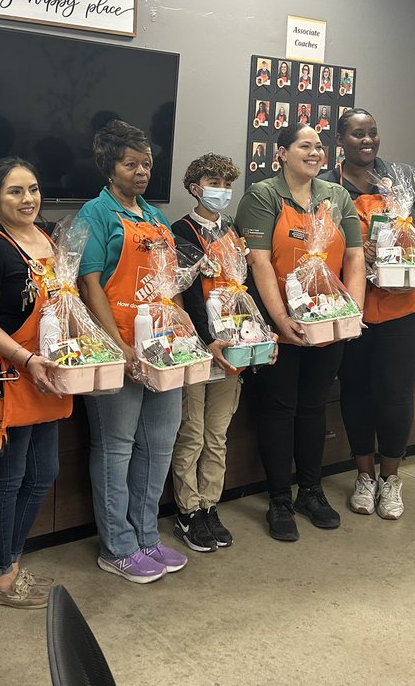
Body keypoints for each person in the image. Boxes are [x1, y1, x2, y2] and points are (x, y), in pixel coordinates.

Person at [235, 124, 365, 542]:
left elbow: (355, 260)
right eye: (305, 146)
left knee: (314, 408)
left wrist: (352, 313)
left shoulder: (338, 197)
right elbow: (258, 263)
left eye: (319, 147)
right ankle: (278, 499)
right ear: (282, 153)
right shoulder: (263, 195)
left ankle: (312, 490)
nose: (315, 153)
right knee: (278, 410)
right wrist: (279, 319)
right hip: (280, 327)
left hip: (329, 321)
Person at [325, 110, 415, 521]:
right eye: (358, 134)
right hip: (352, 307)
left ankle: (391, 479)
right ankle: (364, 476)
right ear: (340, 141)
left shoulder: (404, 179)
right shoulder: (326, 185)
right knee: (357, 392)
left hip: (406, 307)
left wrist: (414, 260)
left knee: (396, 394)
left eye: (373, 133)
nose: (368, 140)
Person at [76, 119, 187, 584]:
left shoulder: (157, 218)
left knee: (159, 445)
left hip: (161, 349)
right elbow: (89, 282)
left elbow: (170, 285)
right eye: (131, 164)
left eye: (146, 164)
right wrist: (117, 345)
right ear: (110, 167)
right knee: (116, 447)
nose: (141, 172)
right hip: (118, 347)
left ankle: (146, 536)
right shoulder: (94, 215)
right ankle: (117, 547)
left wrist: (182, 333)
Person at [0, 158, 69, 609]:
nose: (28, 199)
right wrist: (27, 357)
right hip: (11, 377)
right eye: (15, 192)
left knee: (45, 473)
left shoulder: (46, 238)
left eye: (33, 189)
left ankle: (12, 561)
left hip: (48, 373)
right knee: (9, 478)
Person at [169, 153, 244, 553]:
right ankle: (188, 509)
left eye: (227, 183)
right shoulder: (179, 230)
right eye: (214, 182)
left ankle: (211, 503)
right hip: (199, 347)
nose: (222, 190)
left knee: (218, 434)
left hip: (234, 345)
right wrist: (204, 338)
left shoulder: (232, 231)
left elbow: (242, 290)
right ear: (195, 187)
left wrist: (256, 337)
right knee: (192, 433)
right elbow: (186, 293)